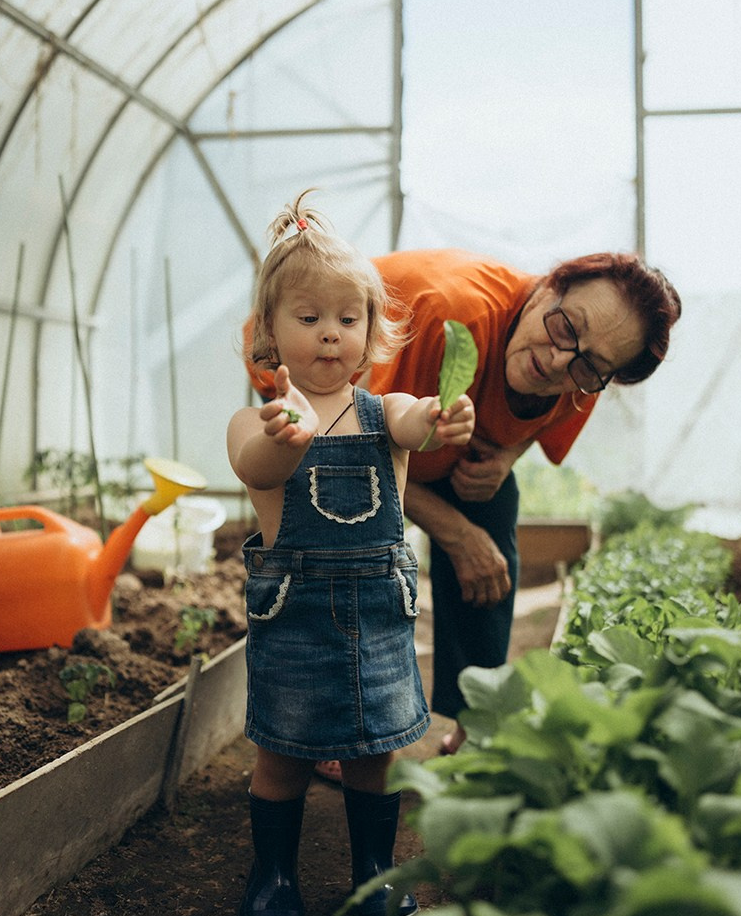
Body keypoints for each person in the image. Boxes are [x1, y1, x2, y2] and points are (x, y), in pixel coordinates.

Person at [249, 243, 681, 764]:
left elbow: (538, 421)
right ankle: (326, 725)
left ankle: (476, 715)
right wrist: (457, 533)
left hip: (428, 436)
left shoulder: (581, 375)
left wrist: (504, 459)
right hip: (321, 395)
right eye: (566, 327)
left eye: (590, 366)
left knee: (493, 532)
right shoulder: (454, 316)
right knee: (340, 555)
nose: (558, 360)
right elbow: (356, 447)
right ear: (547, 286)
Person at [227, 194, 475, 916]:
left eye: (347, 317)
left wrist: (442, 416)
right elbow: (255, 465)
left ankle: (375, 872)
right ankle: (273, 876)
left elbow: (416, 423)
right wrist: (287, 439)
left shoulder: (384, 410)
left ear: (370, 331)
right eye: (308, 317)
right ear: (270, 331)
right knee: (282, 756)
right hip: (295, 618)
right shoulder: (257, 422)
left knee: (375, 753)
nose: (330, 333)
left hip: (377, 617)